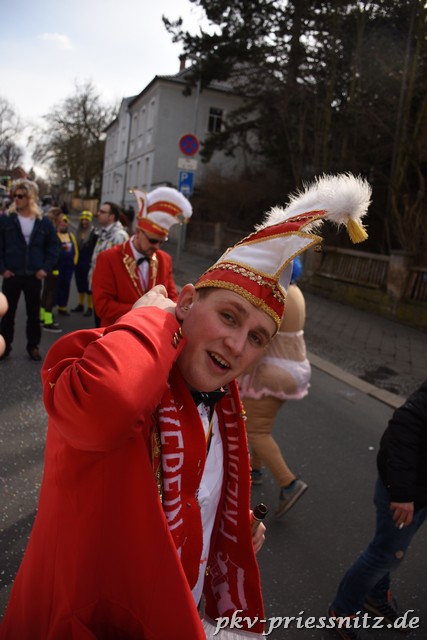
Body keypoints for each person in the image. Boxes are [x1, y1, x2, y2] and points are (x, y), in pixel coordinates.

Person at [0, 174, 371, 639]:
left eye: (256, 338)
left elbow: (191, 490)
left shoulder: (222, 404)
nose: (237, 344)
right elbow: (108, 402)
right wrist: (150, 319)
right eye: (228, 316)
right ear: (188, 301)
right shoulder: (98, 367)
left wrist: (227, 522)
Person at [328, 380, 427, 640]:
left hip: (418, 490)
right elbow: (404, 427)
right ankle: (342, 610)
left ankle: (374, 595)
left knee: (388, 548)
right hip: (407, 491)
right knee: (385, 554)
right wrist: (402, 493)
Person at [238, 256, 310, 518]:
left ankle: (288, 483)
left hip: (273, 371)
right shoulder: (296, 292)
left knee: (256, 430)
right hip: (293, 367)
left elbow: (263, 340)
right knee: (260, 423)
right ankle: (255, 469)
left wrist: (241, 370)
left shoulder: (279, 297)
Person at [92, 187, 191, 327]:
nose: (157, 247)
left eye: (162, 242)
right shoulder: (108, 258)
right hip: (117, 332)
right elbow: (103, 306)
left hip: (152, 333)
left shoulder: (164, 259)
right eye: (153, 240)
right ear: (138, 232)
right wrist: (146, 310)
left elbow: (172, 296)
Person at [0, 179, 60, 362]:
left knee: (34, 314)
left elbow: (54, 247)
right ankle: (4, 347)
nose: (16, 199)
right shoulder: (6, 220)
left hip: (34, 275)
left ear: (31, 198)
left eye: (21, 196)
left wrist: (45, 269)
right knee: (7, 314)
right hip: (12, 275)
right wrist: (2, 269)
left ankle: (33, 346)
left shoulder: (43, 222)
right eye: (15, 196)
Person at [88, 201, 129, 326]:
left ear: (111, 216)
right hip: (99, 288)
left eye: (102, 212)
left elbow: (123, 267)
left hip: (110, 293)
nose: (98, 214)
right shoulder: (102, 233)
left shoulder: (119, 236)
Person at [40, 207, 63, 333]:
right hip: (53, 268)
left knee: (46, 292)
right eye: (61, 217)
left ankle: (42, 317)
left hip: (47, 266)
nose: (62, 220)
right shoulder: (52, 232)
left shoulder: (46, 230)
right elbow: (54, 251)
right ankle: (48, 322)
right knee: (51, 294)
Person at [71, 210, 97, 317]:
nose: (84, 222)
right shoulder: (77, 232)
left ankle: (90, 307)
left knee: (88, 285)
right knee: (80, 283)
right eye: (82, 220)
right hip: (78, 261)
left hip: (88, 262)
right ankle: (81, 304)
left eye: (86, 220)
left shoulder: (94, 233)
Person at [54, 214, 79, 316]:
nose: (63, 224)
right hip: (58, 266)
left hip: (68, 266)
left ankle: (62, 307)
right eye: (61, 222)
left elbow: (76, 249)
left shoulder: (71, 236)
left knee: (66, 286)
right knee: (55, 287)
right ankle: (50, 306)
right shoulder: (55, 235)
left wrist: (74, 262)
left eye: (65, 222)